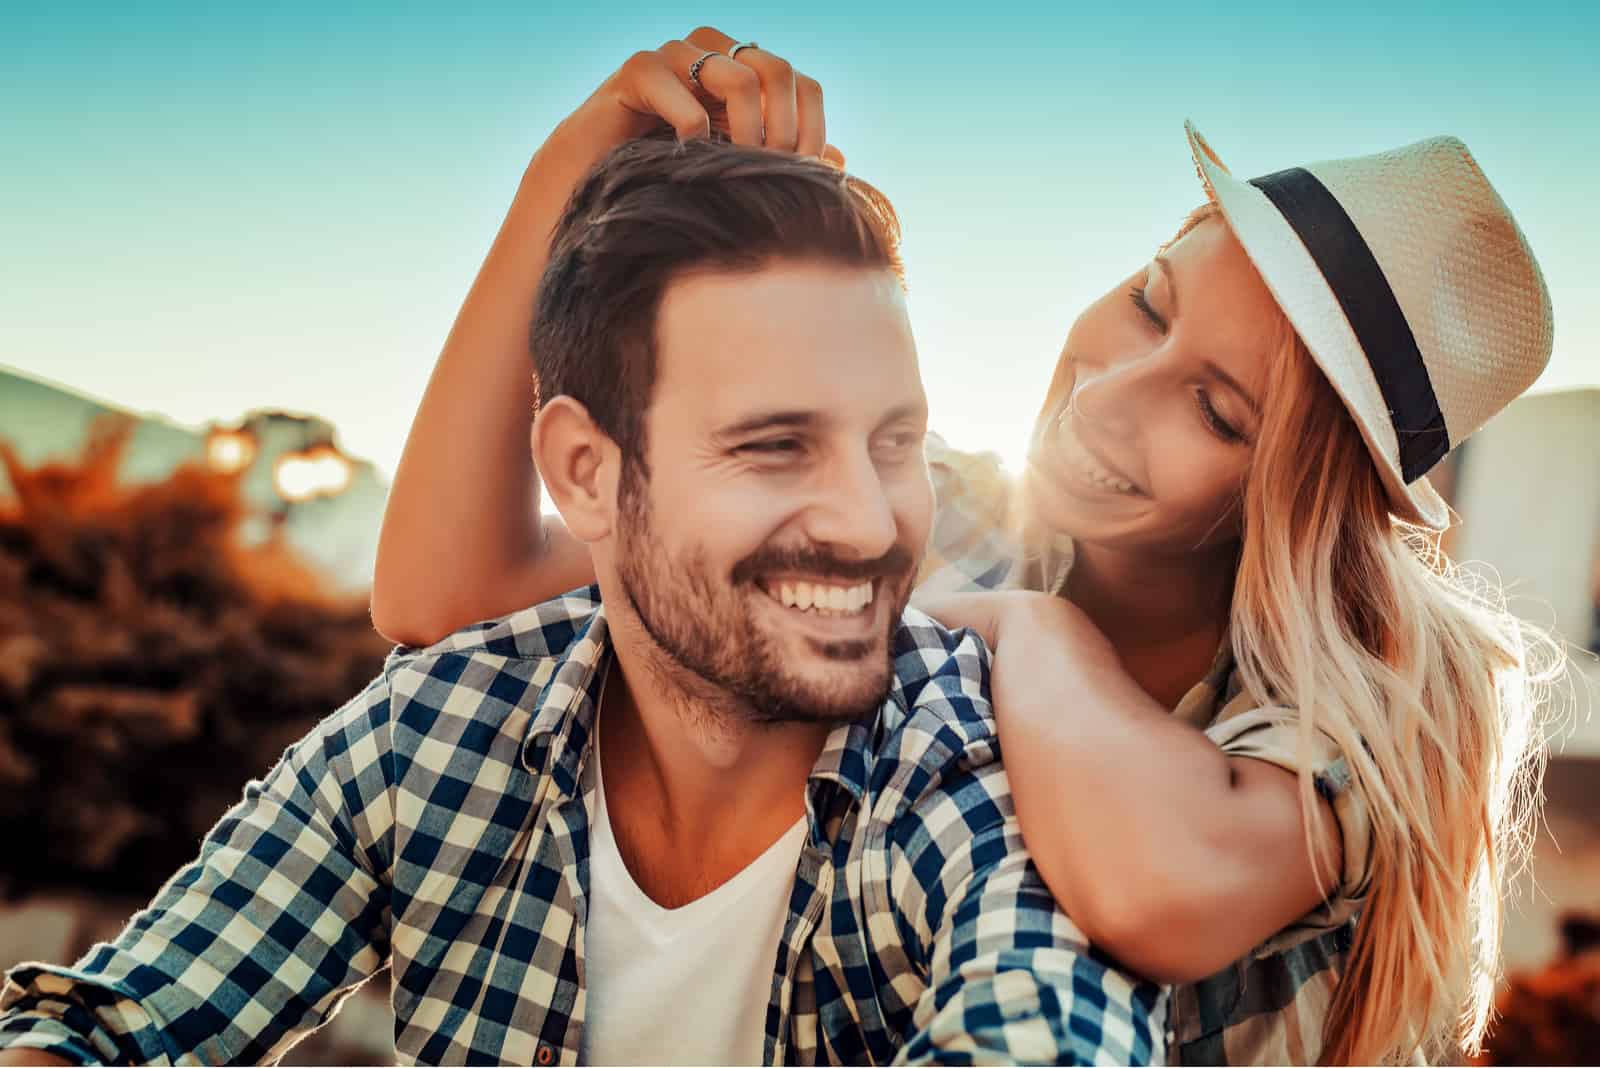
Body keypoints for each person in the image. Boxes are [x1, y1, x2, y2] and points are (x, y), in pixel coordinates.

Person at [367, 28, 1565, 1065]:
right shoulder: (937, 505)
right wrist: (563, 177)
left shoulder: (1389, 687)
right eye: (1150, 301)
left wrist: (1026, 630)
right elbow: (448, 600)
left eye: (1215, 411)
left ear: (1303, 495)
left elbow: (1160, 888)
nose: (1112, 392)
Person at [0, 137, 1165, 1066]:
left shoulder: (977, 773)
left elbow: (1046, 1026)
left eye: (894, 441)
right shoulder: (447, 723)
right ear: (586, 473)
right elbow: (113, 1025)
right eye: (773, 447)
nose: (866, 521)